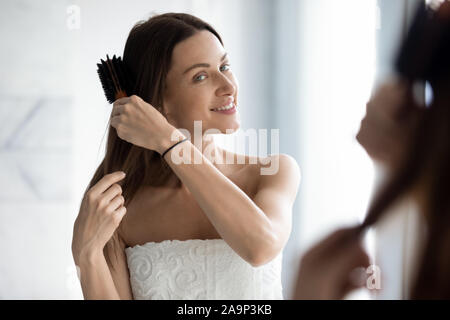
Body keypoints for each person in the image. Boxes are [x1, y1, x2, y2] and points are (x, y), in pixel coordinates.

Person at [71, 13, 301, 300]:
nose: (228, 86)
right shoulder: (119, 204)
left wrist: (168, 141)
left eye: (225, 66)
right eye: (200, 76)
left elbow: (260, 247)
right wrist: (87, 255)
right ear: (158, 101)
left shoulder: (272, 171)